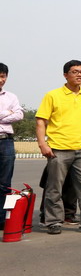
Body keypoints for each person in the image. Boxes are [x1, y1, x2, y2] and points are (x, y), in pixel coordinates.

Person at [36, 60, 81, 234]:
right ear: (65, 75)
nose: (80, 75)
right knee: (55, 187)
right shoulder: (52, 95)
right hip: (58, 149)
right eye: (75, 71)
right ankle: (53, 222)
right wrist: (42, 144)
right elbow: (41, 121)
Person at [0, 63, 24, 232]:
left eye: (3, 76)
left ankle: (1, 219)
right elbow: (13, 115)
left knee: (4, 183)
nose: (1, 80)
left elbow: (19, 115)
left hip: (5, 141)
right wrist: (6, 113)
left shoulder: (11, 97)